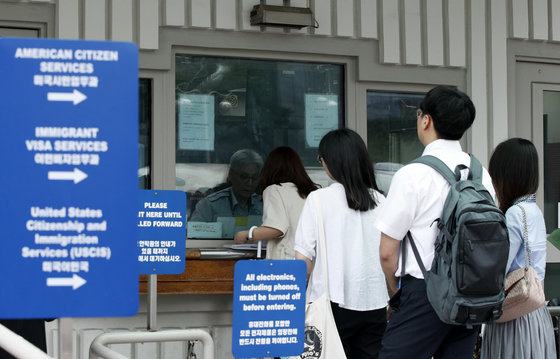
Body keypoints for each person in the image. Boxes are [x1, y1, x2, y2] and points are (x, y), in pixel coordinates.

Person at [375, 86, 495, 359]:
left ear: (426, 120)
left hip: (424, 293)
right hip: (470, 295)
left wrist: (397, 294)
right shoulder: (481, 175)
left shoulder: (413, 175)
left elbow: (386, 252)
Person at [295, 128, 388, 359]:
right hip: (375, 303)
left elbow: (303, 261)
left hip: (330, 304)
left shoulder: (318, 200)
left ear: (330, 162)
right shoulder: (381, 200)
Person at [480, 138, 556, 358]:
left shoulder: (514, 214)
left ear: (505, 175)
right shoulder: (534, 210)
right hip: (535, 312)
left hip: (514, 314)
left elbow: (498, 268)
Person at [233, 146, 318, 259]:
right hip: (311, 261)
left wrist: (246, 234)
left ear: (269, 169)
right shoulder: (311, 193)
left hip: (287, 263)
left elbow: (276, 228)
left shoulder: (275, 189)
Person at [189, 149, 264, 223]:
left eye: (254, 178)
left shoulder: (264, 206)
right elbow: (194, 233)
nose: (250, 183)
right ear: (231, 175)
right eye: (244, 177)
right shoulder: (209, 206)